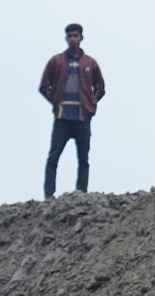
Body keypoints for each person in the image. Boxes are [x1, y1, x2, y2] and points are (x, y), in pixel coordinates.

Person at [38, 23, 105, 199]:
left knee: (83, 159)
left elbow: (100, 88)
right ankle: (49, 195)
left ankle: (81, 193)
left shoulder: (90, 63)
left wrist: (90, 104)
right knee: (53, 157)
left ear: (81, 38)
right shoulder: (56, 61)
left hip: (82, 119)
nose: (73, 39)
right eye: (70, 36)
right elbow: (44, 86)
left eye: (76, 36)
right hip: (62, 118)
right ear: (66, 39)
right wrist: (55, 102)